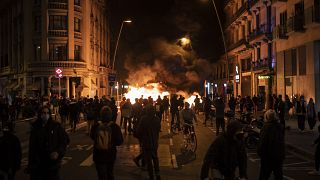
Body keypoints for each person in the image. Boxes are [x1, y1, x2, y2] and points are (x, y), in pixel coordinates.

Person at [27, 106, 69, 180]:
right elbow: (32, 147)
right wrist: (30, 165)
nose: (45, 115)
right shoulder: (35, 127)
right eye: (43, 113)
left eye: (47, 113)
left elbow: (64, 141)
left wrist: (58, 152)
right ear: (40, 114)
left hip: (52, 163)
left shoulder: (55, 126)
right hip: (38, 164)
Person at [90, 106, 123, 180]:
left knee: (101, 175)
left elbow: (92, 136)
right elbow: (120, 141)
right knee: (110, 173)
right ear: (111, 115)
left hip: (98, 154)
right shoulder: (115, 127)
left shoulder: (96, 126)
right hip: (110, 154)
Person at [135, 105, 161, 180]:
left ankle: (151, 177)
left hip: (146, 143)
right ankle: (158, 175)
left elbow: (139, 130)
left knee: (149, 161)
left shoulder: (144, 119)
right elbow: (158, 129)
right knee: (155, 159)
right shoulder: (157, 119)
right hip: (155, 142)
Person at [258, 109, 285, 180]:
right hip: (278, 156)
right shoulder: (280, 127)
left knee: (264, 175)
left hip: (268, 156)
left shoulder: (266, 127)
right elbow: (281, 141)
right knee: (278, 175)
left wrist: (260, 153)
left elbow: (262, 142)